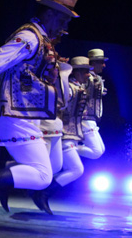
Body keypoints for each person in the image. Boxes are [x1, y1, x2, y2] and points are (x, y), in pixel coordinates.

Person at [0, 0, 80, 222]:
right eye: (63, 19)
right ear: (50, 14)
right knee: (44, 175)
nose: (65, 26)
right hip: (14, 116)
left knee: (46, 167)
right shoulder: (30, 37)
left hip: (22, 116)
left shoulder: (41, 39)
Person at [30, 56, 89, 214]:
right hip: (61, 133)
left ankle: (36, 191)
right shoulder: (68, 87)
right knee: (74, 168)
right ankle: (5, 178)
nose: (88, 75)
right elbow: (60, 104)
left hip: (62, 132)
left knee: (54, 167)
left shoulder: (77, 88)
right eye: (84, 72)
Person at [78, 48, 107, 160]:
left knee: (101, 149)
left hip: (92, 119)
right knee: (97, 151)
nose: (103, 65)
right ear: (93, 63)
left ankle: (71, 148)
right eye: (101, 62)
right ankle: (68, 148)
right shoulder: (88, 78)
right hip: (86, 118)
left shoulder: (95, 78)